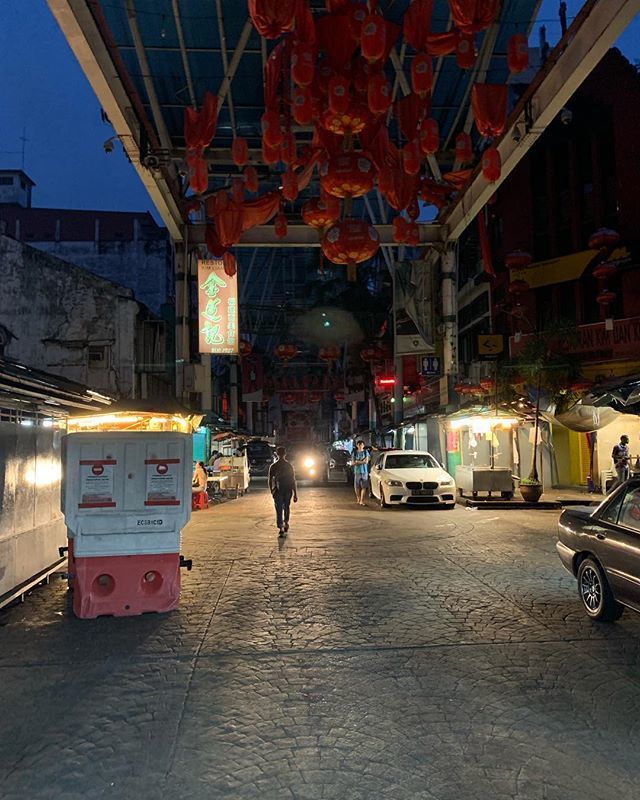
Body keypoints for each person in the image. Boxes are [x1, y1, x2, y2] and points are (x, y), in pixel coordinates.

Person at [268, 446, 298, 536]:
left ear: (277, 454)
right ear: (285, 454)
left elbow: (270, 480)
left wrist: (271, 491)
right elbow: (293, 480)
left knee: (279, 508)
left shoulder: (273, 466)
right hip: (288, 489)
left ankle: (281, 526)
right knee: (286, 507)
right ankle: (285, 523)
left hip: (278, 490)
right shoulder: (289, 466)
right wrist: (295, 493)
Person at [349, 439, 370, 506]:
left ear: (363, 445)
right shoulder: (354, 453)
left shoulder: (366, 452)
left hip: (365, 472)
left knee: (364, 487)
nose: (360, 446)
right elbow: (352, 463)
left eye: (362, 445)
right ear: (357, 445)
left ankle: (362, 500)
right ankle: (358, 498)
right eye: (359, 445)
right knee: (357, 487)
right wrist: (361, 461)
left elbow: (366, 461)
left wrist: (357, 462)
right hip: (357, 472)